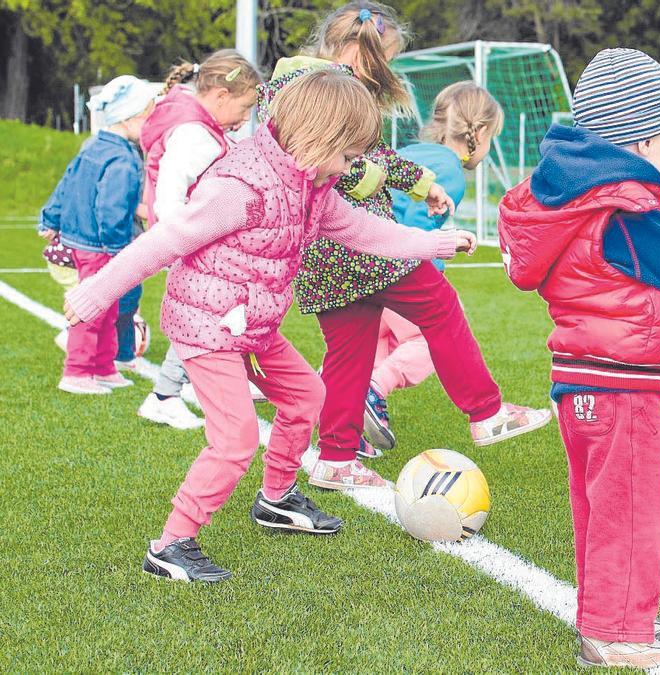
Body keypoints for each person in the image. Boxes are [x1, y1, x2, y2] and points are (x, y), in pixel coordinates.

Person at [63, 70, 477, 583]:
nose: (352, 169)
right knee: (235, 439)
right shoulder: (240, 186)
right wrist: (94, 293)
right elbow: (164, 242)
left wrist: (432, 243)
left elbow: (361, 229)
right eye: (348, 157)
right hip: (208, 326)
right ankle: (170, 545)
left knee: (308, 396)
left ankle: (276, 500)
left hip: (252, 326)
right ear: (318, 139)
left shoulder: (312, 183)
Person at [258, 2, 549, 490]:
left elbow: (369, 154)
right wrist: (380, 182)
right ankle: (486, 412)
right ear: (358, 49)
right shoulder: (323, 88)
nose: (385, 71)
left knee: (350, 351)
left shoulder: (293, 84)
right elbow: (335, 165)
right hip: (359, 242)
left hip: (320, 253)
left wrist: (421, 184)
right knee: (440, 306)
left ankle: (335, 458)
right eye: (384, 59)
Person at [497, 48, 660, 669]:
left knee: (602, 508)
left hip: (585, 379)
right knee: (634, 512)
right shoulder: (626, 207)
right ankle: (617, 634)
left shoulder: (583, 199)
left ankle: (607, 615)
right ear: (645, 140)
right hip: (619, 389)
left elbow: (611, 287)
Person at [362, 81, 503, 453]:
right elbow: (416, 226)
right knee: (428, 340)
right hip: (398, 269)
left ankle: (348, 421)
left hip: (363, 265)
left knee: (372, 344)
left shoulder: (409, 152)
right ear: (480, 133)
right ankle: (373, 390)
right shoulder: (450, 173)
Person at [134, 49, 263, 430]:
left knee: (216, 311)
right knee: (204, 315)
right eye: (243, 108)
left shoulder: (201, 127)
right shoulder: (195, 135)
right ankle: (164, 395)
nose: (244, 120)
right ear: (221, 97)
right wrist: (185, 242)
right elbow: (171, 194)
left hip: (194, 240)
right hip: (191, 242)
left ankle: (186, 387)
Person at [39, 75, 158, 395]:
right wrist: (118, 249)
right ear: (132, 117)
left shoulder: (93, 145)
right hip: (101, 245)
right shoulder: (121, 157)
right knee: (93, 307)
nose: (151, 123)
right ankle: (77, 372)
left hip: (85, 240)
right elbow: (111, 207)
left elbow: (66, 182)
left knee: (109, 307)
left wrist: (50, 216)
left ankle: (104, 367)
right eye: (149, 115)